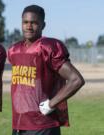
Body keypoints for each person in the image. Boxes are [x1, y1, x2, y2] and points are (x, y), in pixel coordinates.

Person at [7, 5, 85, 135]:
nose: (29, 26)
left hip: (43, 125)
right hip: (19, 123)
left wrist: (51, 104)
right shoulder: (14, 50)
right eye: (25, 22)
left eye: (34, 23)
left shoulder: (47, 47)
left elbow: (76, 80)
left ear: (43, 25)